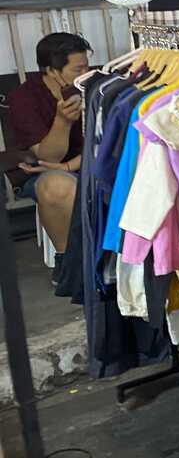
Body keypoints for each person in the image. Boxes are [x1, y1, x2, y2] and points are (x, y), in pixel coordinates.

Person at [6, 33, 90, 278]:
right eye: (78, 69)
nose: (85, 74)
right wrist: (62, 123)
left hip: (91, 161)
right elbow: (49, 159)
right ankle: (68, 264)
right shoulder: (25, 97)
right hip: (42, 170)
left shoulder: (92, 86)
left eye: (87, 66)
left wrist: (71, 165)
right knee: (57, 185)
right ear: (52, 71)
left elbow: (105, 142)